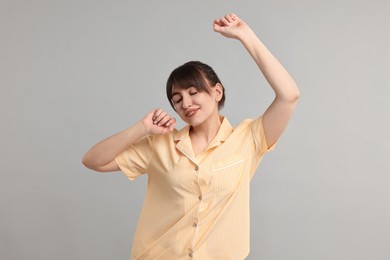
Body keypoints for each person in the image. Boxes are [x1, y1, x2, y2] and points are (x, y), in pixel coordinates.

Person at [82, 13, 300, 260]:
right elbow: (93, 160)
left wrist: (244, 35)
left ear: (217, 91)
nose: (186, 103)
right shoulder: (160, 145)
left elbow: (289, 95)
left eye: (193, 92)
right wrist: (140, 129)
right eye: (177, 100)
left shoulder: (249, 139)